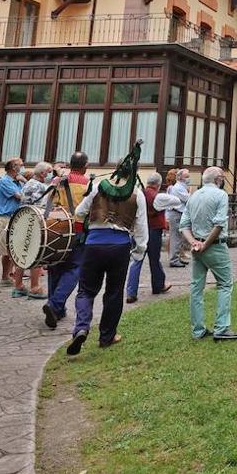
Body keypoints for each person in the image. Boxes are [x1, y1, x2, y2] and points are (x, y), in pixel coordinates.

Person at [68, 146, 148, 355]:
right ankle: (107, 336)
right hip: (120, 246)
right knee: (113, 292)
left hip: (94, 244)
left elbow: (79, 211)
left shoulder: (98, 187)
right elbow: (141, 227)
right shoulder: (136, 194)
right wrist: (139, 250)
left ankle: (82, 327)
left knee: (86, 289)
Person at [183, 166, 237, 341]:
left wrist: (194, 242)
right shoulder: (220, 195)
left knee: (196, 288)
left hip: (197, 246)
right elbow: (219, 224)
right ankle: (222, 327)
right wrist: (205, 244)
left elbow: (184, 224)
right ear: (218, 179)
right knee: (225, 284)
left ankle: (197, 329)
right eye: (222, 177)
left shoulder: (194, 196)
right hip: (214, 246)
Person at [44, 153, 89, 328]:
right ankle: (55, 304)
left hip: (55, 227)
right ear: (85, 166)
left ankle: (57, 309)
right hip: (76, 230)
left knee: (55, 266)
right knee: (74, 268)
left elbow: (49, 203)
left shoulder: (57, 181)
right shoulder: (87, 184)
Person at [126, 172, 171, 303]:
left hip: (139, 230)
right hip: (153, 231)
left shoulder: (140, 193)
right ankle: (158, 285)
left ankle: (131, 291)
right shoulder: (157, 196)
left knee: (137, 260)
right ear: (158, 184)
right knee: (154, 259)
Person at [15, 162, 55, 300]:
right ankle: (35, 287)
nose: (50, 174)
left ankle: (18, 286)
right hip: (35, 222)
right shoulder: (39, 186)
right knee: (36, 254)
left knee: (22, 254)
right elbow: (42, 205)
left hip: (23, 219)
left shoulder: (29, 183)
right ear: (43, 173)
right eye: (49, 171)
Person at [0, 156, 25, 293]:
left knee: (9, 252)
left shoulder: (17, 181)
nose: (22, 168)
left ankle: (5, 278)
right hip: (4, 218)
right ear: (13, 167)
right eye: (20, 165)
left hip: (13, 218)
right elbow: (21, 196)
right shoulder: (5, 181)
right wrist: (25, 181)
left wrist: (23, 182)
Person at [166, 168, 192, 268]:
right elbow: (188, 199)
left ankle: (177, 257)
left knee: (179, 238)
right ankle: (174, 259)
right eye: (186, 176)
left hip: (179, 214)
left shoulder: (181, 187)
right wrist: (190, 193)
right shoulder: (178, 188)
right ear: (180, 178)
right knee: (175, 238)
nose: (188, 178)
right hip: (176, 214)